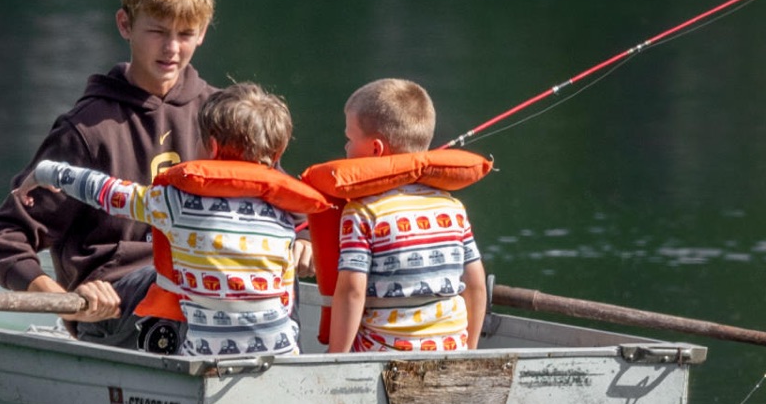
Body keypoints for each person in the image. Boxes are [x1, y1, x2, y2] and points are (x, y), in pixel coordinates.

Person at [0, 0, 215, 349]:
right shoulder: (86, 129)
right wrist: (63, 302)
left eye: (185, 33)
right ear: (125, 25)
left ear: (202, 32)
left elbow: (280, 208)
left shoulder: (220, 116)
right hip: (115, 307)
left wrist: (301, 242)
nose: (171, 48)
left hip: (203, 284)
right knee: (179, 283)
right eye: (157, 31)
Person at [24, 83, 327, 358]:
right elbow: (285, 297)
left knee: (174, 281)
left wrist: (47, 172)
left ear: (211, 147)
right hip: (282, 351)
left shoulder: (174, 203)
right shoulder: (283, 212)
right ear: (277, 153)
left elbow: (105, 191)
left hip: (202, 353)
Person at [311, 78, 489, 355]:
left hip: (384, 351)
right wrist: (470, 350)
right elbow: (476, 284)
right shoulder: (452, 208)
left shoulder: (363, 212)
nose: (345, 148)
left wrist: (336, 357)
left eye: (349, 139)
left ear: (375, 150)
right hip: (451, 350)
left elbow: (352, 291)